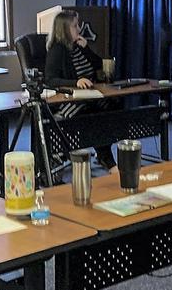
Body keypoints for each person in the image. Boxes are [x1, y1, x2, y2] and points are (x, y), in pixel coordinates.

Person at [44, 10, 117, 171]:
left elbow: (99, 65)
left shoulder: (78, 46)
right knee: (93, 113)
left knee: (113, 106)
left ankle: (103, 152)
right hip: (69, 100)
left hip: (88, 96)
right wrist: (76, 82)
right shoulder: (57, 50)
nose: (79, 29)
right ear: (64, 29)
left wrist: (86, 49)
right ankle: (106, 158)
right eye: (75, 26)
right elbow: (50, 79)